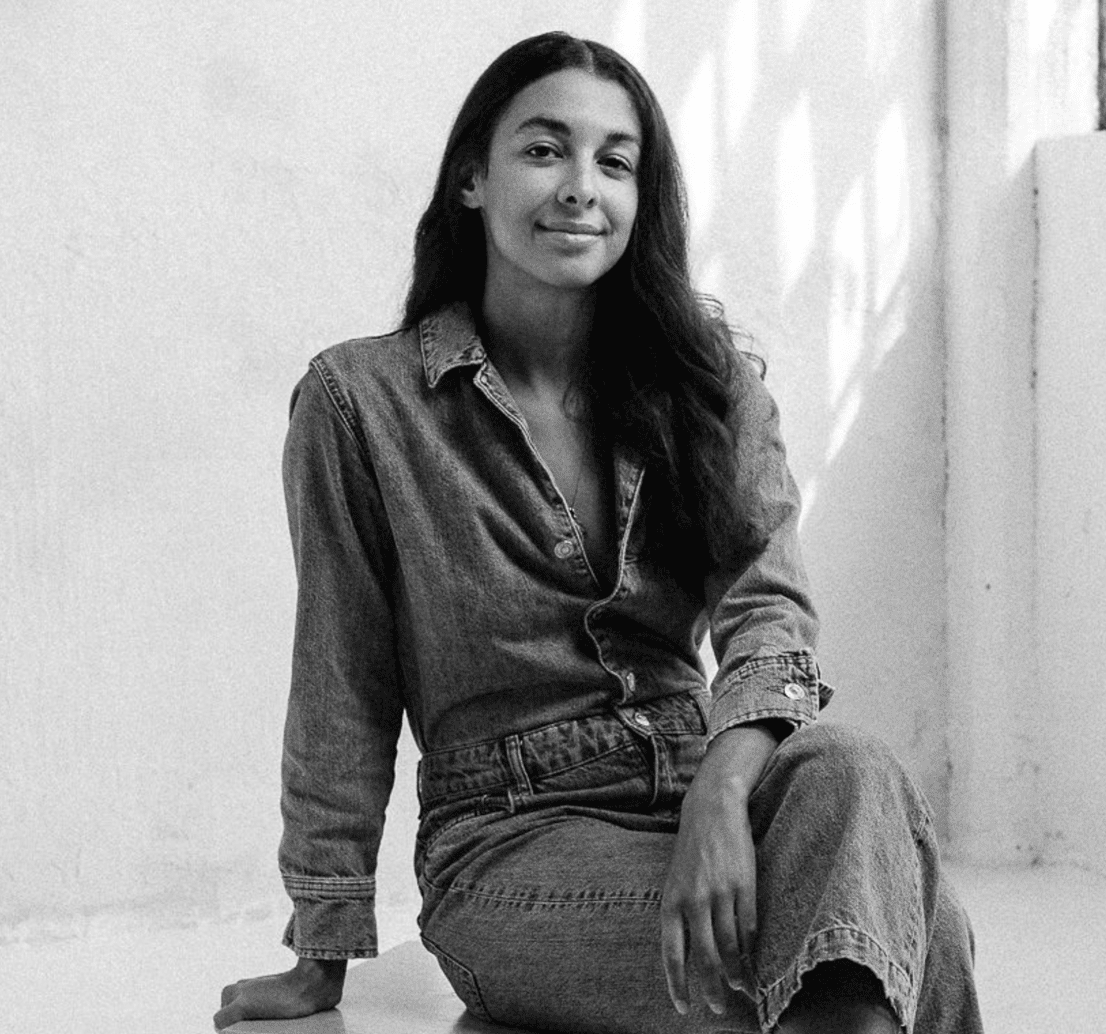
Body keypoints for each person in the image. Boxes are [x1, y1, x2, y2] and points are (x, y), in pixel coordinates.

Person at [215, 31, 981, 1034]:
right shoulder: (361, 402)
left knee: (852, 770)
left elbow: (768, 608)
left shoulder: (706, 380)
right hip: (510, 839)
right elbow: (340, 676)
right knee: (878, 928)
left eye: (614, 162)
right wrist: (323, 945)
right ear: (470, 182)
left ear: (638, 199)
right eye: (543, 150)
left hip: (708, 778)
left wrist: (718, 787)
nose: (581, 186)